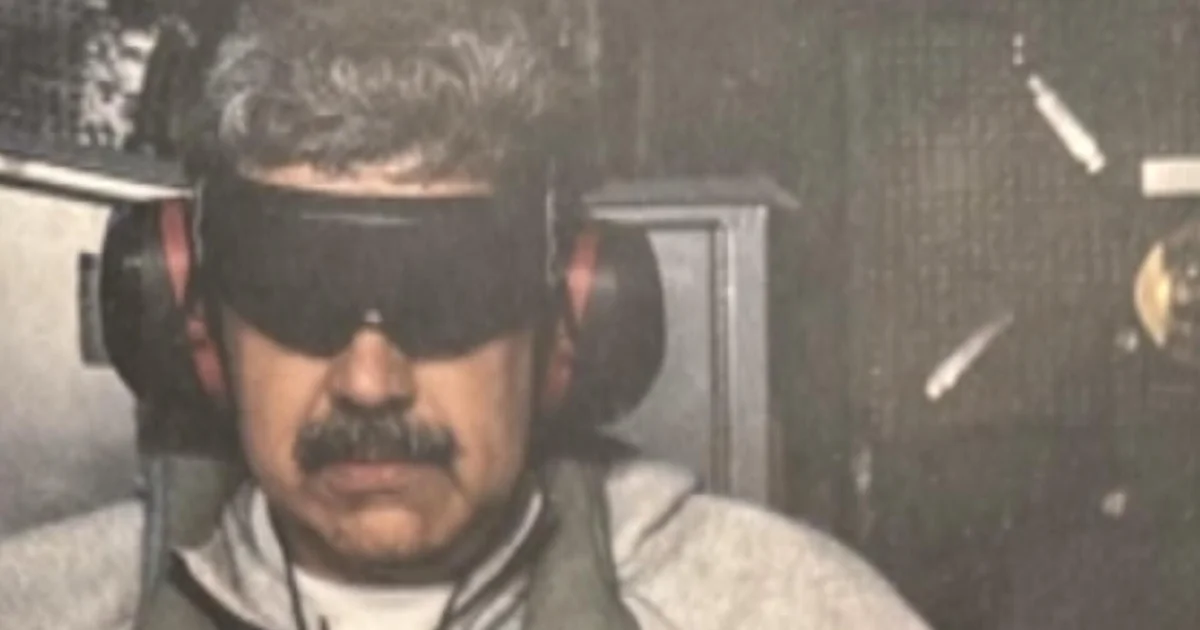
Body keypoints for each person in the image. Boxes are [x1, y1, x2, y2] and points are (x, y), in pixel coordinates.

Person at [0, 0, 930, 628]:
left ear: (568, 322)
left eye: (444, 291)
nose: (370, 382)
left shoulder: (787, 610)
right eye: (300, 291)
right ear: (195, 322)